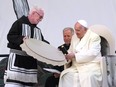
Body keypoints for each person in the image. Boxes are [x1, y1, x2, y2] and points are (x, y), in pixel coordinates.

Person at [4, 7, 49, 87]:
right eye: (40, 17)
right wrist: (22, 39)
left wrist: (51, 49)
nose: (41, 19)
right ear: (33, 13)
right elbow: (10, 36)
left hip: (30, 65)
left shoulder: (38, 30)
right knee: (13, 85)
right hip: (17, 62)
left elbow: (42, 43)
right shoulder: (19, 23)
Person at [58, 20, 102, 87]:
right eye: (75, 30)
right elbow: (70, 50)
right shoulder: (74, 37)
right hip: (76, 66)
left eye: (78, 30)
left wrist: (75, 55)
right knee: (65, 75)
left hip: (90, 65)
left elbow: (92, 53)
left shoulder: (94, 37)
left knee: (88, 76)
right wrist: (67, 56)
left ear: (85, 30)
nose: (76, 32)